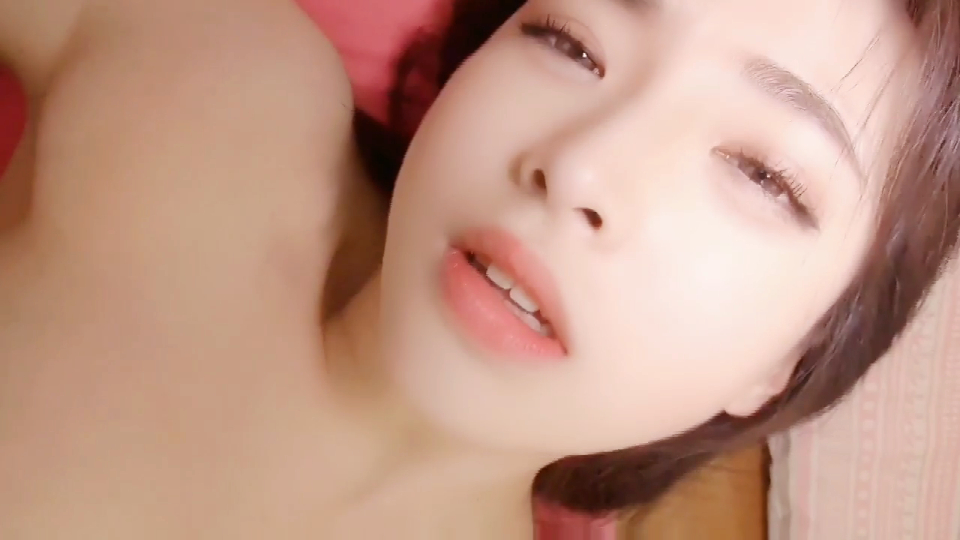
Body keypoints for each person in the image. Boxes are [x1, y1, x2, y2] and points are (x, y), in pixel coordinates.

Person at [0, 0, 958, 538]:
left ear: (791, 363)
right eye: (571, 40)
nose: (579, 166)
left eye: (760, 174)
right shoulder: (212, 94)